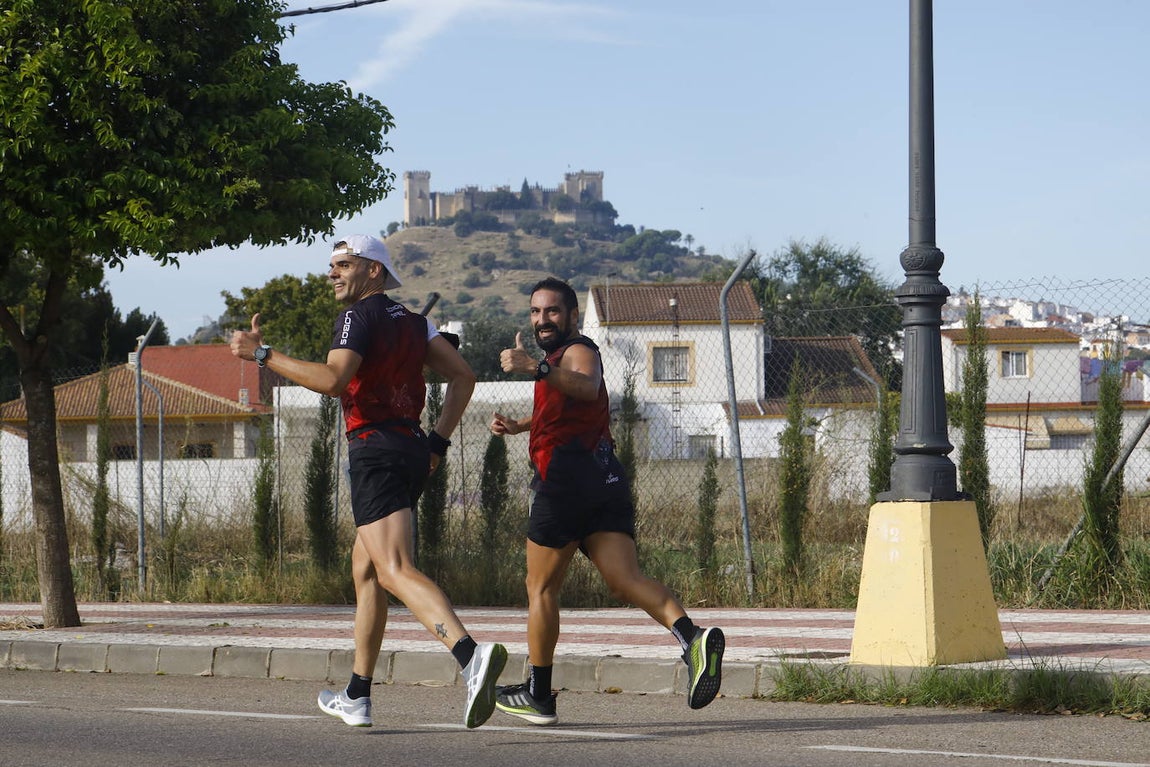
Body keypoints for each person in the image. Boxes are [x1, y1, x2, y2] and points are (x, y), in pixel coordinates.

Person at [230, 234, 507, 729]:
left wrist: (263, 355)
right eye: (332, 265)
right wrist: (437, 445)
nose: (332, 273)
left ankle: (470, 657)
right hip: (409, 448)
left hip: (374, 450)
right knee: (367, 568)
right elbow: (463, 377)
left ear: (373, 271)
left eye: (344, 264)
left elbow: (335, 380)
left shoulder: (359, 314)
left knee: (395, 567)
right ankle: (357, 694)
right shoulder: (416, 322)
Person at [489, 276, 724, 725]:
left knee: (540, 589)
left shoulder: (578, 351)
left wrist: (534, 367)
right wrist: (521, 426)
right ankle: (692, 638)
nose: (542, 319)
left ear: (572, 316)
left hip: (565, 484)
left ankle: (538, 694)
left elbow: (586, 386)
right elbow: (566, 407)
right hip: (605, 480)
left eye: (552, 311)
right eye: (536, 312)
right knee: (625, 579)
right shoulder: (560, 358)